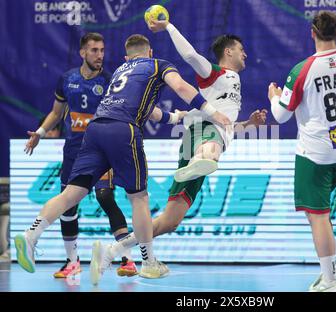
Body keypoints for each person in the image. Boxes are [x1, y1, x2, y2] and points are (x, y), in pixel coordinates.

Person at [14, 34, 230, 286]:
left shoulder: (119, 71)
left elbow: (147, 109)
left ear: (128, 57)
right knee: (138, 197)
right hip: (123, 130)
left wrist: (174, 118)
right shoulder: (158, 64)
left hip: (95, 130)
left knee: (71, 195)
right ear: (150, 52)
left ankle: (31, 234)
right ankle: (149, 263)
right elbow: (182, 87)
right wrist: (214, 112)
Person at [84, 17, 268, 280]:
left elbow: (227, 128)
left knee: (170, 221)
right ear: (228, 51)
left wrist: (249, 123)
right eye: (241, 49)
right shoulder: (215, 73)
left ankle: (112, 250)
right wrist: (168, 27)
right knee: (211, 149)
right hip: (202, 133)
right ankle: (202, 157)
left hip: (211, 135)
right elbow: (191, 55)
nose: (245, 54)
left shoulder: (232, 85)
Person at [268, 11, 336, 292]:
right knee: (317, 212)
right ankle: (330, 266)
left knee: (317, 216)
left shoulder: (303, 70)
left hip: (313, 154)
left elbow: (280, 116)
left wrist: (272, 97)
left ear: (312, 33)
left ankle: (330, 281)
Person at [24, 33, 138, 279]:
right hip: (74, 151)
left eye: (102, 50)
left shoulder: (110, 82)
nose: (100, 55)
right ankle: (72, 262)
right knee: (68, 205)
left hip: (101, 151)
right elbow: (56, 113)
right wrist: (41, 133)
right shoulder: (67, 79)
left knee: (105, 197)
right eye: (94, 50)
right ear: (83, 53)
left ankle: (127, 259)